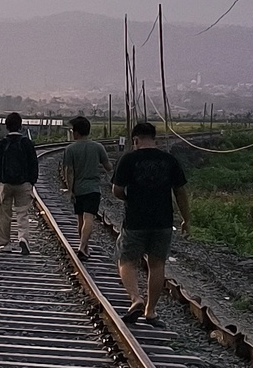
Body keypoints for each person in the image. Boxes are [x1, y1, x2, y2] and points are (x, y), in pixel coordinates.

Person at [110, 119, 190, 323]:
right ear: (154, 139)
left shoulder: (128, 159)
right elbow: (180, 191)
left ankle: (136, 298)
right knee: (157, 265)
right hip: (163, 221)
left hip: (135, 220)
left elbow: (117, 190)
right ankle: (150, 311)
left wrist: (129, 198)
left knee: (126, 260)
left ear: (135, 140)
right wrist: (186, 219)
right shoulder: (169, 160)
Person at [56, 115, 110, 258]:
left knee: (80, 219)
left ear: (77, 132)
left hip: (78, 188)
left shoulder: (70, 149)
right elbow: (108, 166)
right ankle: (83, 247)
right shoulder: (98, 147)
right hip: (93, 188)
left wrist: (70, 188)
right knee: (89, 218)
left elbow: (69, 171)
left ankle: (84, 247)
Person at [0, 111, 40, 253]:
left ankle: (5, 243)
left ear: (7, 127)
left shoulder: (2, 144)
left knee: (4, 214)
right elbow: (33, 163)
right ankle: (23, 238)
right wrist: (31, 181)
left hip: (5, 183)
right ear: (20, 126)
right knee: (22, 213)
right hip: (23, 183)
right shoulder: (26, 143)